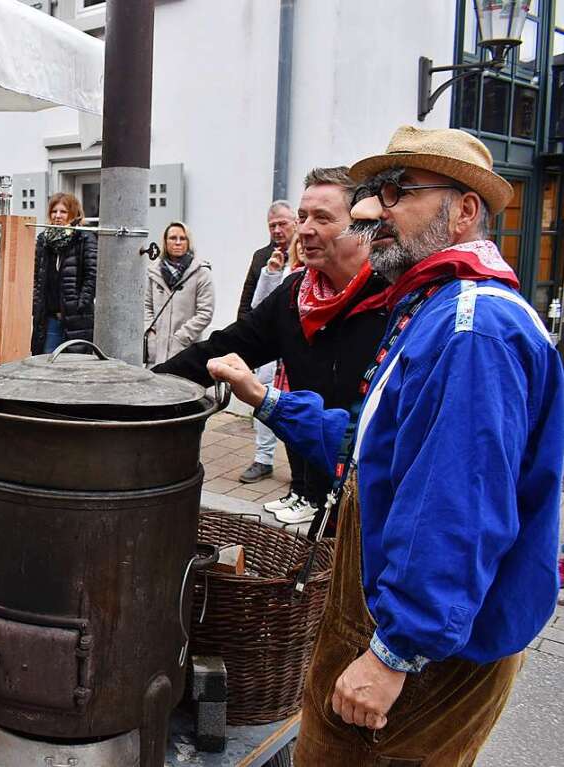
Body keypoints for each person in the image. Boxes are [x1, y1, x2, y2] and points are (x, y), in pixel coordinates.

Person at [208, 126, 563, 765]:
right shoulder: (434, 307)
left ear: (463, 210)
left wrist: (395, 653)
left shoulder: (472, 329)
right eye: (378, 191)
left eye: (401, 192)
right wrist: (268, 401)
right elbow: (377, 448)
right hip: (407, 628)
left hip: (429, 653)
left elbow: (459, 511)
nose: (377, 210)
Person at [154, 167, 390, 525]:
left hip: (374, 503)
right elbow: (221, 347)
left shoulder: (394, 301)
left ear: (362, 228)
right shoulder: (295, 297)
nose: (304, 229)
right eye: (302, 217)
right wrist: (146, 389)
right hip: (318, 493)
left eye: (322, 218)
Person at [237, 200, 298, 484]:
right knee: (264, 400)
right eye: (272, 225)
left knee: (297, 404)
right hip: (268, 349)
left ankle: (301, 469)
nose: (277, 229)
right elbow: (249, 301)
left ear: (295, 222)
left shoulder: (308, 253)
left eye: (282, 223)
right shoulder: (262, 255)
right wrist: (243, 346)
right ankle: (263, 459)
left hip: (298, 348)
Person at [31, 192, 98, 354]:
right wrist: (36, 302)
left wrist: (80, 304)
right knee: (47, 361)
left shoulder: (84, 238)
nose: (58, 216)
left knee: (74, 365)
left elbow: (92, 274)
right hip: (50, 316)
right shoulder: (43, 240)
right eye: (54, 211)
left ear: (73, 214)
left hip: (77, 317)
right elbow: (36, 276)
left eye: (63, 212)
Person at [143, 221, 214, 367]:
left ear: (188, 242)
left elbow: (205, 312)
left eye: (182, 239)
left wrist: (181, 338)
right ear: (165, 241)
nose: (177, 242)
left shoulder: (201, 272)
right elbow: (146, 306)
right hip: (156, 350)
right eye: (173, 238)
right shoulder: (153, 272)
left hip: (186, 348)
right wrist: (150, 333)